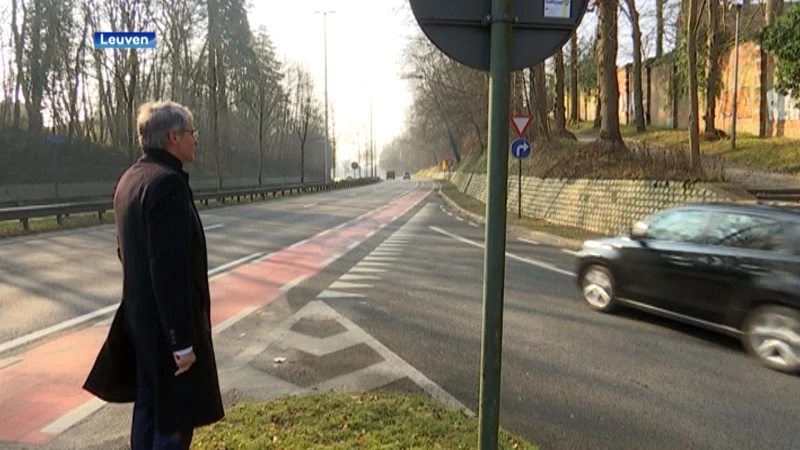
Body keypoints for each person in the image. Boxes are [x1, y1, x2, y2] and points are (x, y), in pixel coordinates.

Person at [83, 100, 224, 450]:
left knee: (148, 411)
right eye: (192, 133)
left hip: (139, 322)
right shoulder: (168, 185)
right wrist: (182, 342)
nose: (196, 140)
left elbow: (125, 253)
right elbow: (169, 271)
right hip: (166, 332)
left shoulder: (130, 179)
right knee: (173, 422)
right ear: (173, 136)